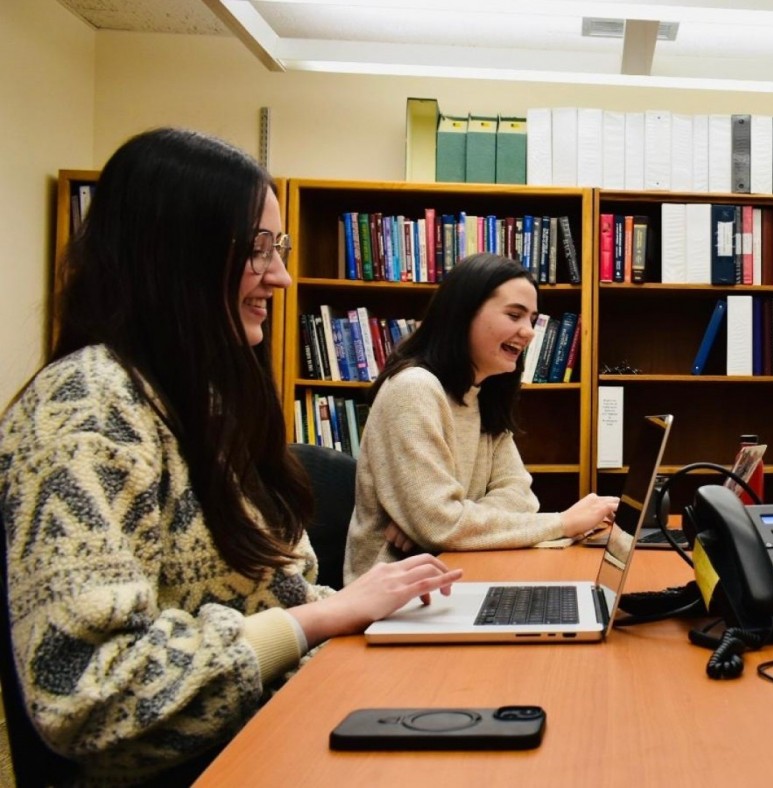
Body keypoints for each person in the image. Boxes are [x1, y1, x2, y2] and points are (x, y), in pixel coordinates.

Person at [0, 128, 463, 784]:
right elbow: (88, 697)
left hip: (277, 735)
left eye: (282, 248)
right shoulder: (88, 407)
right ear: (176, 257)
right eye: (258, 250)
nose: (282, 275)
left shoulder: (200, 404)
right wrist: (322, 617)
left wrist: (367, 617)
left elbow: (282, 598)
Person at [343, 254, 618, 584]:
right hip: (390, 596)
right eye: (514, 315)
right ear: (463, 314)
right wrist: (563, 523)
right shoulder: (414, 388)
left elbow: (519, 495)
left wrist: (448, 521)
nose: (529, 332)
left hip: (457, 570)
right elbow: (442, 525)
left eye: (532, 319)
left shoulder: (482, 393)